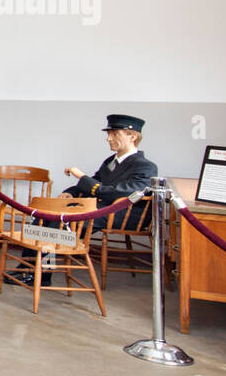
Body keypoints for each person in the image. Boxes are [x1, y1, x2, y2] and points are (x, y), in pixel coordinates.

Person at [10, 113, 157, 285]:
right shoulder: (111, 161)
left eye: (115, 134)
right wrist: (71, 192)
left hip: (123, 214)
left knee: (57, 226)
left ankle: (42, 274)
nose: (108, 139)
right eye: (108, 134)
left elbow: (117, 193)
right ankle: (27, 268)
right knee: (44, 217)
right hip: (100, 209)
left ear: (132, 136)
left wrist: (81, 176)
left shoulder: (145, 166)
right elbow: (96, 182)